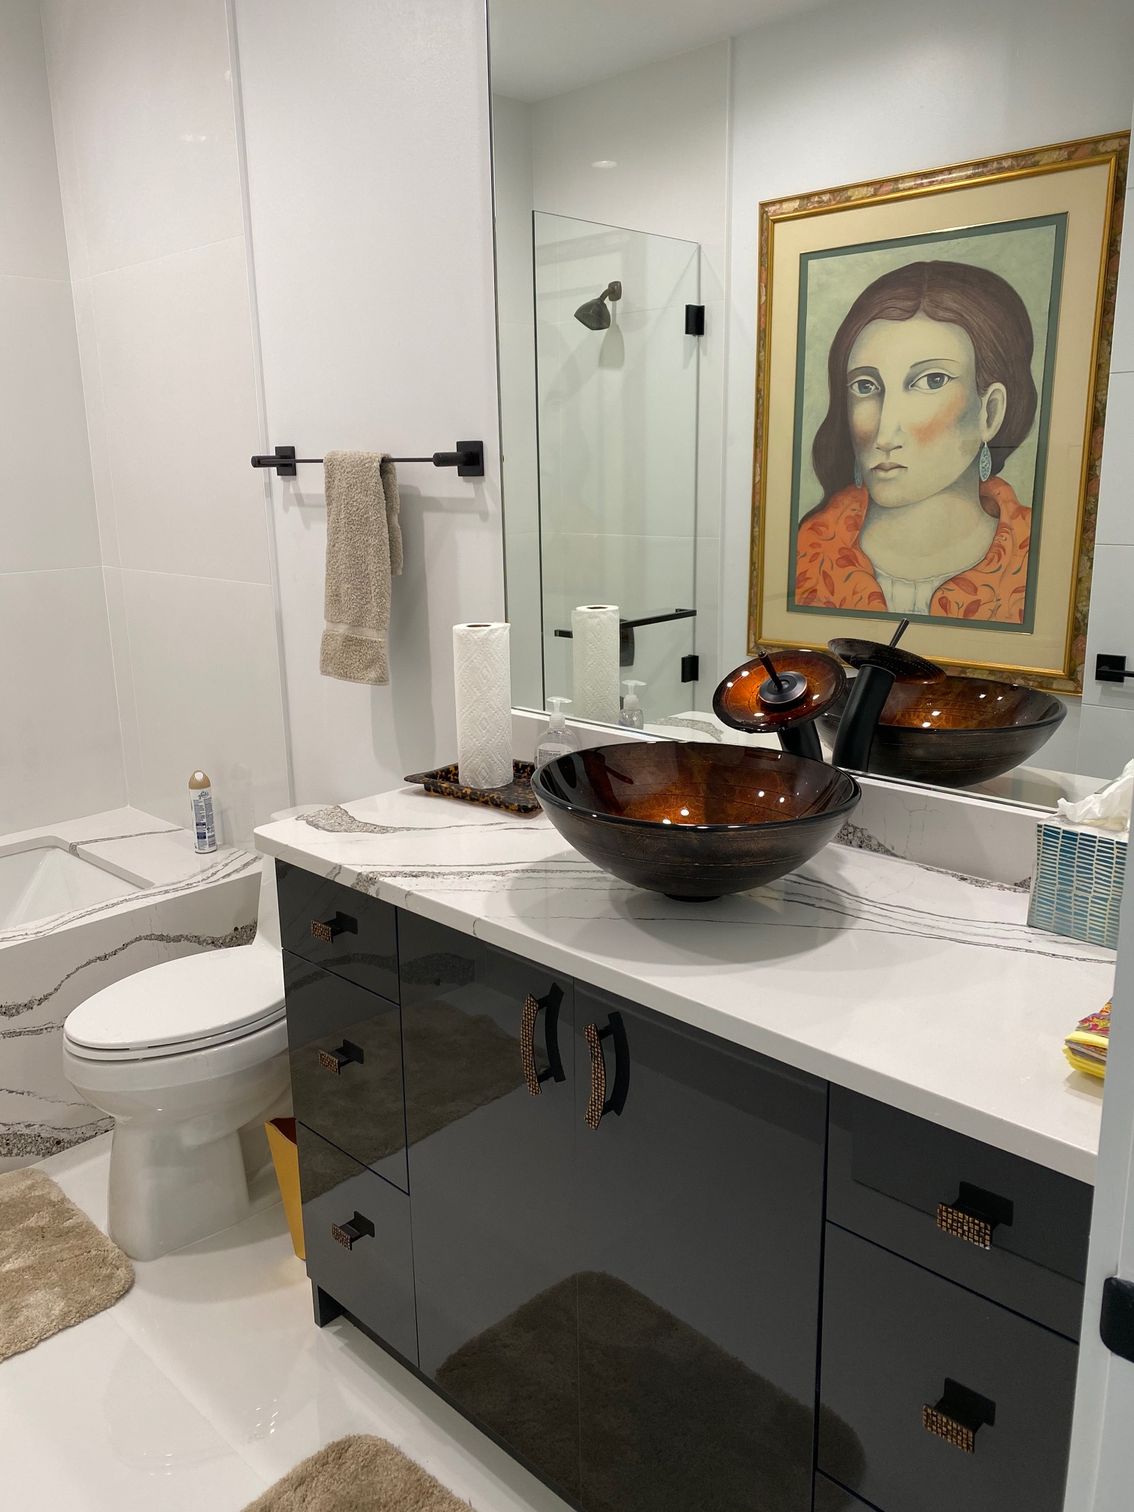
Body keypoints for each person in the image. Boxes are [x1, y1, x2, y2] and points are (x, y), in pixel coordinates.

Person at [794, 259, 1037, 622]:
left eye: (931, 381)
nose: (885, 432)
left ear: (990, 412)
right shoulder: (807, 553)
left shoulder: (1037, 557)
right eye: (865, 386)